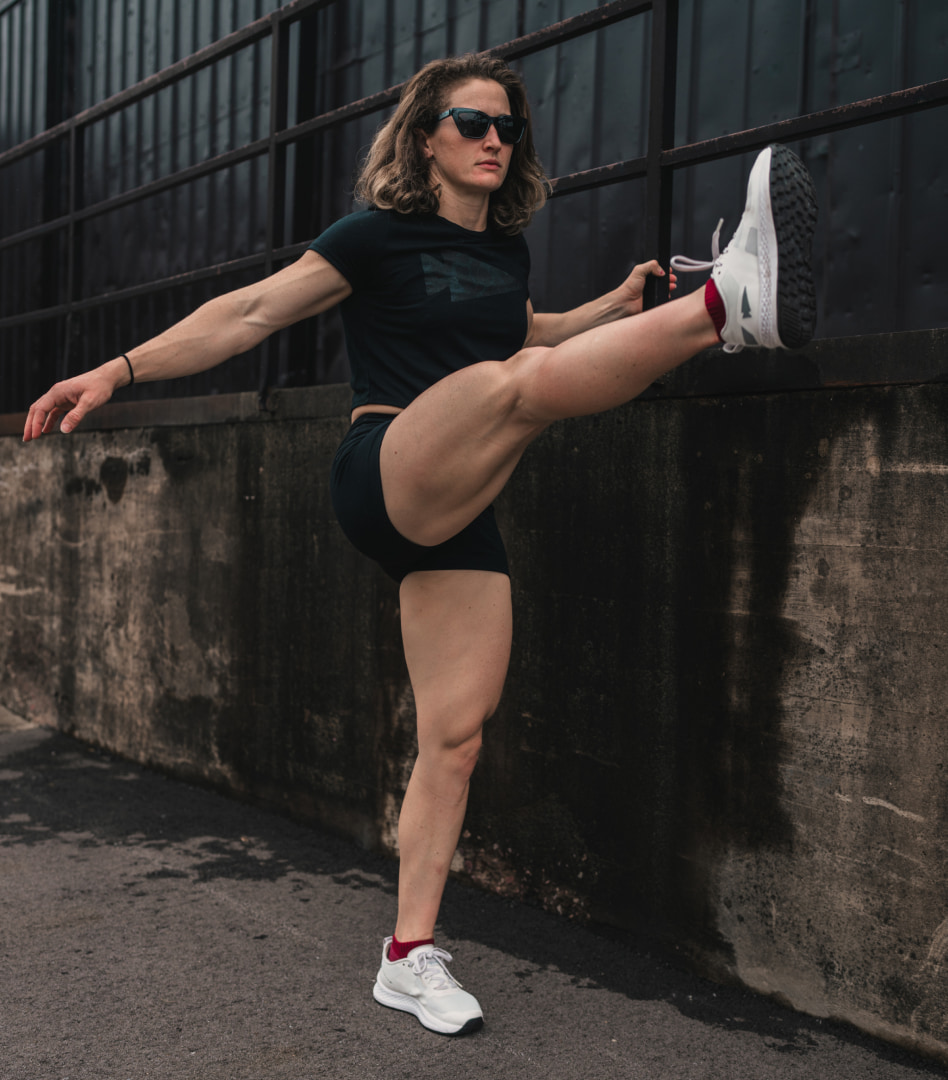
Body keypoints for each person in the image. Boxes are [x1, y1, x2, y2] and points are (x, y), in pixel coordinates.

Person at [22, 53, 817, 1036]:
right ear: (425, 136)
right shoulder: (374, 236)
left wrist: (608, 310)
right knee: (505, 391)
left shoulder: (506, 254)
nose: (493, 140)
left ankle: (407, 955)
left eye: (508, 128)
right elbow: (251, 311)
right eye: (472, 123)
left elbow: (527, 334)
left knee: (457, 734)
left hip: (462, 492)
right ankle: (728, 308)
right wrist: (117, 368)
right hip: (386, 462)